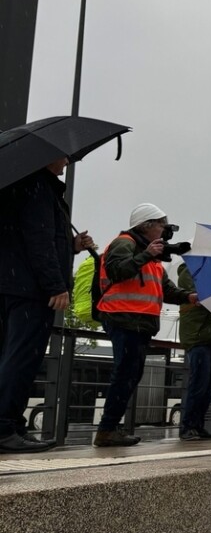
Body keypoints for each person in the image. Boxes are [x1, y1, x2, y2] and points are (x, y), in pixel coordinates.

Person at [0, 157, 95, 453]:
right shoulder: (39, 186)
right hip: (31, 291)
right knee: (21, 359)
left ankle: (10, 424)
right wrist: (56, 285)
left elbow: (33, 237)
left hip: (13, 286)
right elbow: (39, 240)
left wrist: (71, 245)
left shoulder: (21, 186)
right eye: (63, 155)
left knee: (11, 356)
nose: (67, 160)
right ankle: (5, 427)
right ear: (45, 158)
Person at [94, 203, 196, 447]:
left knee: (130, 375)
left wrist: (187, 297)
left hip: (140, 322)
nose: (165, 230)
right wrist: (146, 255)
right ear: (146, 225)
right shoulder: (125, 244)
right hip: (123, 317)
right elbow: (117, 271)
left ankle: (110, 428)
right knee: (124, 374)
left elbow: (164, 288)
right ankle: (107, 429)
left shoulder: (151, 253)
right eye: (161, 224)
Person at [175, 264, 211, 440]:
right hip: (198, 335)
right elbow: (200, 297)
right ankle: (188, 426)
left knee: (210, 383)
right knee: (199, 382)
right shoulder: (188, 271)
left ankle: (198, 425)